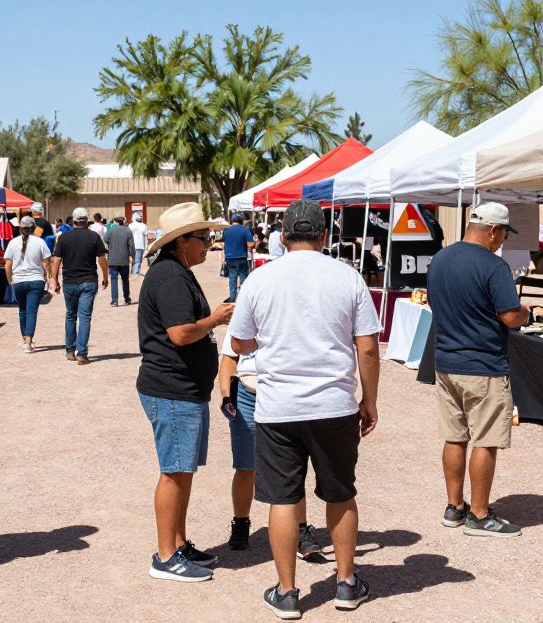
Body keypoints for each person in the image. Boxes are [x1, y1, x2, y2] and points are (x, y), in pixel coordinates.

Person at [229, 200, 381, 618]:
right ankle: (347, 583)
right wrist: (368, 399)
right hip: (333, 404)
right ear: (324, 236)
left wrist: (271, 339)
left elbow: (239, 342)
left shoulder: (260, 279)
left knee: (282, 498)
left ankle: (288, 591)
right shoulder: (347, 276)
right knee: (341, 493)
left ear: (282, 236)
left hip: (278, 405)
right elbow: (367, 347)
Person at [136, 202, 234, 583]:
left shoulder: (175, 272)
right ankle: (165, 556)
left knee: (183, 470)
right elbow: (179, 333)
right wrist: (216, 319)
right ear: (181, 242)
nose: (208, 243)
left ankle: (176, 543)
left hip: (183, 389)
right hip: (172, 388)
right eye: (203, 237)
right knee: (174, 472)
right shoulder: (172, 277)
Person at [427, 202, 528, 540]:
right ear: (493, 230)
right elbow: (510, 317)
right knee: (485, 440)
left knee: (454, 436)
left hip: (446, 363)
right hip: (483, 365)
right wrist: (525, 311)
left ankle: (454, 507)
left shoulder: (440, 259)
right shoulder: (494, 266)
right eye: (502, 235)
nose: (501, 242)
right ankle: (480, 515)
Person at [218, 327, 325, 559]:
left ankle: (300, 528)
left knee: (292, 465)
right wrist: (227, 395)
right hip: (247, 394)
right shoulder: (244, 313)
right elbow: (229, 358)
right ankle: (241, 522)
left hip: (282, 393)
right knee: (246, 467)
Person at [51, 207, 108, 365]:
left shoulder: (64, 237)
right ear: (86, 220)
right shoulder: (94, 236)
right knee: (85, 317)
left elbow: (56, 260)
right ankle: (82, 354)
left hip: (69, 281)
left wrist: (54, 279)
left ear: (74, 221)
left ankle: (70, 351)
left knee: (70, 315)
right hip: (88, 281)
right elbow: (102, 259)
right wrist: (105, 276)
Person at [3, 215, 52, 352]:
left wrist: (10, 281)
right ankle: (28, 341)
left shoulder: (12, 243)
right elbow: (47, 262)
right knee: (31, 312)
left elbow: (7, 265)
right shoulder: (40, 242)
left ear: (20, 229)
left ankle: (26, 339)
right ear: (34, 228)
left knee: (22, 311)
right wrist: (48, 276)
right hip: (36, 280)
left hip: (18, 280)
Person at [223, 214, 255, 302]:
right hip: (242, 258)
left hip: (230, 258)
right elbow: (250, 244)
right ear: (241, 221)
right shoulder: (245, 229)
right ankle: (244, 301)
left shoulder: (226, 230)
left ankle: (232, 301)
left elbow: (225, 244)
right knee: (244, 280)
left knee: (232, 280)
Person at [104, 216, 135, 306]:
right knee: (125, 280)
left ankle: (114, 300)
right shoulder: (128, 231)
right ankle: (127, 298)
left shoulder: (110, 231)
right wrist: (133, 257)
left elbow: (104, 240)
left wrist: (110, 245)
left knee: (114, 280)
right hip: (124, 260)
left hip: (112, 259)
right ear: (123, 221)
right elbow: (132, 246)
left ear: (116, 222)